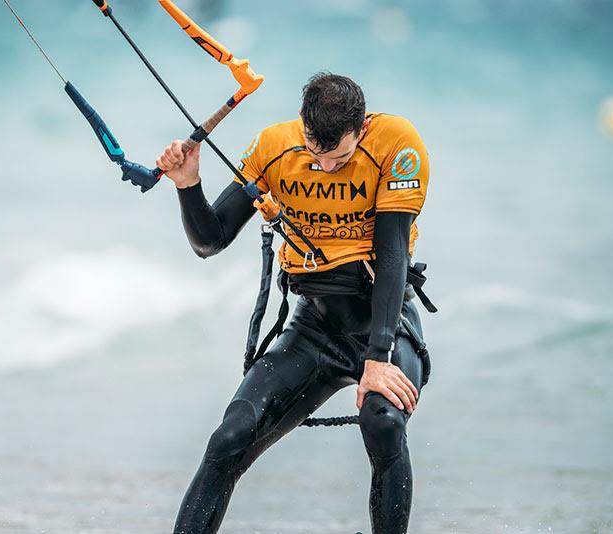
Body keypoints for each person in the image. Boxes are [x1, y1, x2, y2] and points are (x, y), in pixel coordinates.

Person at [155, 72, 432, 534]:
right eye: (316, 155)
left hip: (383, 321)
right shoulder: (274, 148)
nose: (325, 167)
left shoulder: (396, 144)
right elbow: (211, 240)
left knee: (382, 421)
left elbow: (392, 256)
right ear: (303, 126)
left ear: (361, 129)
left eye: (340, 157)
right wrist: (188, 183)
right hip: (312, 328)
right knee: (229, 438)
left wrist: (378, 359)